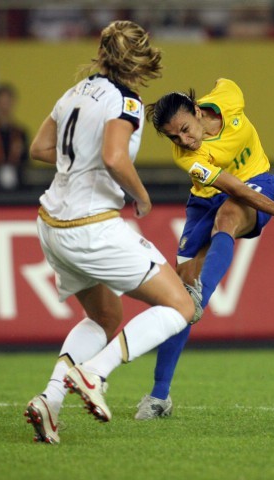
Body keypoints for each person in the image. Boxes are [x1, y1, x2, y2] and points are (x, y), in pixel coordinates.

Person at [23, 20, 202, 445]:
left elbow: (39, 149)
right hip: (90, 226)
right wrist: (141, 196)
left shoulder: (74, 93)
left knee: (105, 317)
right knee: (180, 306)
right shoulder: (127, 101)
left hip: (51, 223)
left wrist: (80, 163)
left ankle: (50, 399)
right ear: (138, 60)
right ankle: (94, 372)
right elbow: (114, 156)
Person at [134, 78, 274, 420]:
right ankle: (160, 396)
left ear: (197, 110)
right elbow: (231, 185)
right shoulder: (189, 158)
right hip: (204, 201)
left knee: (228, 218)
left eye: (186, 130)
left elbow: (242, 192)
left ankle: (199, 300)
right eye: (174, 137)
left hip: (257, 184)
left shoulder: (229, 97)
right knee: (177, 298)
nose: (184, 141)